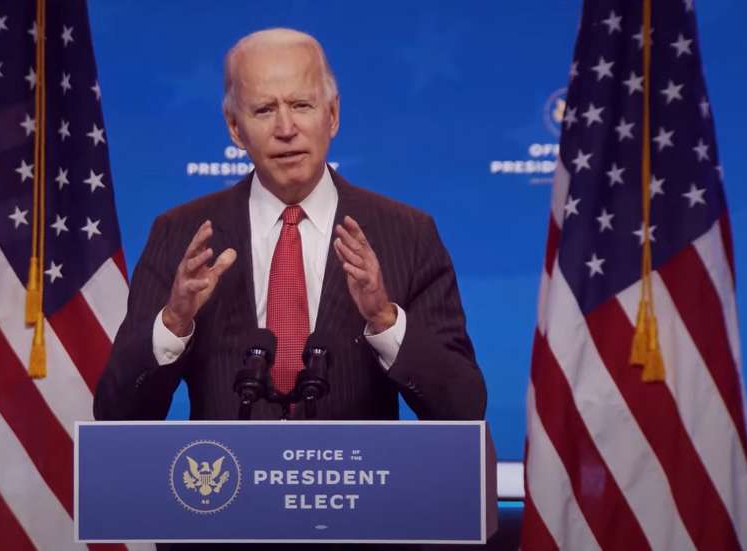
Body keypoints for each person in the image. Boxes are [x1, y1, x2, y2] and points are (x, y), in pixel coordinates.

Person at [94, 27, 484, 424]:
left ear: (331, 116)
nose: (285, 129)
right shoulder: (183, 233)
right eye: (264, 110)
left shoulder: (406, 234)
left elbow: (462, 406)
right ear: (234, 127)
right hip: (227, 481)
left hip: (355, 480)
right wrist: (174, 323)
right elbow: (116, 414)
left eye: (301, 105)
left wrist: (384, 319)